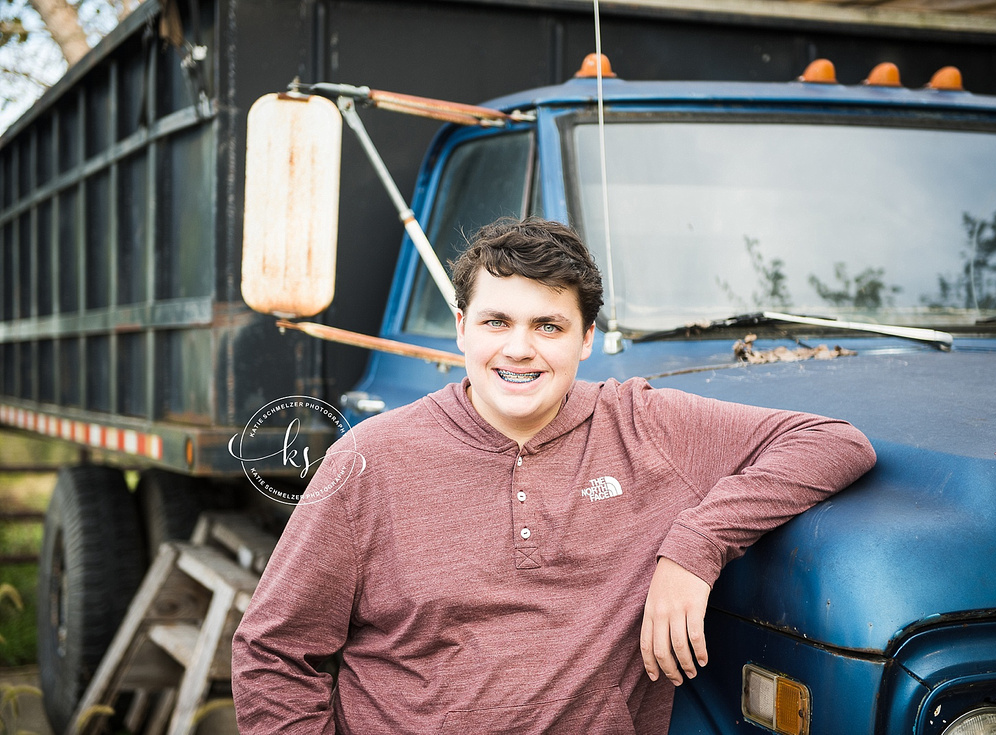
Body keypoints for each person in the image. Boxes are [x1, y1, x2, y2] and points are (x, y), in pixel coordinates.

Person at [231, 216, 876, 734]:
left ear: (586, 337)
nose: (519, 348)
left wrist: (695, 546)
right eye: (496, 322)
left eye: (548, 325)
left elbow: (832, 442)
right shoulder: (370, 459)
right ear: (460, 329)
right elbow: (274, 653)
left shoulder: (643, 425)